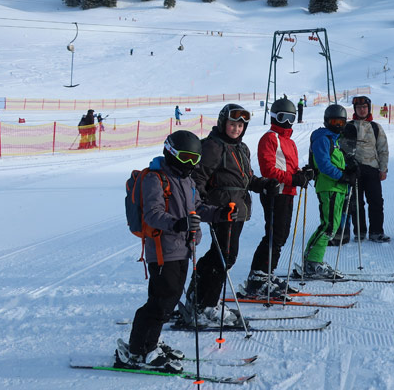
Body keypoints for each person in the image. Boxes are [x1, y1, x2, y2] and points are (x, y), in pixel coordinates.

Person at [115, 130, 235, 373]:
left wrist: (220, 213)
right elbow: (153, 214)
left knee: (168, 301)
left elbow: (197, 208)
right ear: (170, 153)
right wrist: (177, 223)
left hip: (183, 248)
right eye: (185, 158)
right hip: (162, 249)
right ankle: (138, 350)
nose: (190, 164)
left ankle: (151, 341)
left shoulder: (187, 181)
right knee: (160, 301)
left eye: (195, 159)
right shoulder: (155, 179)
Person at [182, 104, 278, 323]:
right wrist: (203, 204)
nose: (236, 129)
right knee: (226, 256)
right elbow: (198, 178)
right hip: (223, 210)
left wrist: (263, 184)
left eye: (241, 125)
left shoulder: (241, 148)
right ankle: (208, 304)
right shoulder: (214, 146)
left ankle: (197, 296)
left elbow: (246, 179)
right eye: (233, 124)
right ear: (222, 122)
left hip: (238, 209)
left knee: (219, 254)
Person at [246, 98, 313, 298]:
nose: (287, 122)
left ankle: (267, 273)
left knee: (280, 236)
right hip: (276, 192)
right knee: (274, 235)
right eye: (283, 117)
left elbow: (289, 168)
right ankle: (258, 276)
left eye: (291, 118)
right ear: (274, 116)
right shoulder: (270, 138)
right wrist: (293, 178)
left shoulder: (289, 141)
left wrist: (303, 173)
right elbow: (268, 169)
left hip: (288, 192)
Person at [300, 104, 356, 278]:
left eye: (341, 122)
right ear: (326, 121)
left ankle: (312, 261)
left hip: (337, 188)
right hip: (329, 187)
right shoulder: (323, 138)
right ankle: (312, 263)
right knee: (329, 226)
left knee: (330, 225)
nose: (338, 125)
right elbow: (324, 165)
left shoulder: (335, 140)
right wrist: (343, 176)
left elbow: (337, 162)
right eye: (334, 121)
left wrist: (350, 169)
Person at [338, 96, 390, 243]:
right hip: (354, 170)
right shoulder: (348, 126)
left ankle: (376, 232)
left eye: (365, 107)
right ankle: (359, 232)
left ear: (369, 108)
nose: (362, 110)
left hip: (372, 168)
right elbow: (342, 148)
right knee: (356, 202)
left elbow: (383, 149)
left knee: (376, 201)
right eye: (359, 107)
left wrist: (383, 169)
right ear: (355, 109)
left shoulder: (375, 127)